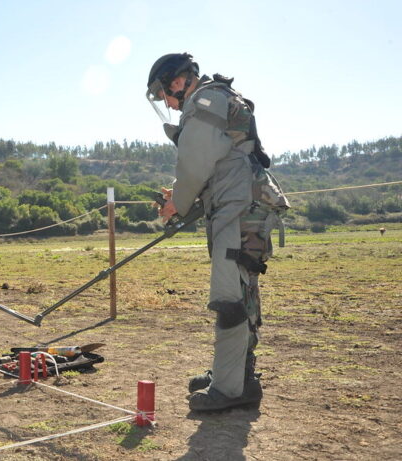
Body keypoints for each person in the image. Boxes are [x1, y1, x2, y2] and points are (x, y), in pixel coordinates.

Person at [146, 53, 290, 411]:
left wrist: (177, 201)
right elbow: (217, 162)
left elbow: (195, 164)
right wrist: (182, 194)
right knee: (242, 291)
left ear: (177, 82)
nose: (166, 101)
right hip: (243, 207)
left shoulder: (205, 101)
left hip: (238, 210)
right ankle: (237, 376)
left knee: (230, 296)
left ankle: (229, 388)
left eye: (164, 92)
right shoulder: (218, 98)